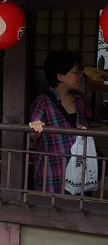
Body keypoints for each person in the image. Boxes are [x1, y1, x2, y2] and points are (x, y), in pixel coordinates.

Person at [29, 50, 92, 194]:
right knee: (51, 211)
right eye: (76, 72)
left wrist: (83, 129)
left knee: (80, 210)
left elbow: (86, 124)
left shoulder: (79, 98)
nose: (80, 75)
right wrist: (35, 127)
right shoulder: (42, 101)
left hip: (78, 170)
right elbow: (33, 133)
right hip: (53, 171)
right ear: (60, 76)